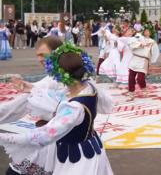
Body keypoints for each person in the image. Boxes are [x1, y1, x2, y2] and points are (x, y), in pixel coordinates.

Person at [0, 42, 114, 175]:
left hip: (78, 159)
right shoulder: (89, 86)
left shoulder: (73, 107)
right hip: (91, 147)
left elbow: (45, 134)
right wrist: (32, 89)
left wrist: (5, 138)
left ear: (59, 75)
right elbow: (57, 96)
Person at [1, 37, 63, 174]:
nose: (40, 59)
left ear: (57, 52)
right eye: (37, 55)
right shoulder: (55, 77)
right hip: (54, 139)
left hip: (55, 141)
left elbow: (15, 108)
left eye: (43, 54)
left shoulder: (56, 80)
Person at [127, 28, 160, 101]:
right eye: (145, 31)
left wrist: (151, 60)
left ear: (150, 33)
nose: (146, 32)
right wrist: (140, 44)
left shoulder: (152, 42)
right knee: (131, 77)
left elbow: (155, 52)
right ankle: (131, 93)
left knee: (140, 78)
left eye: (148, 31)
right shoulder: (138, 38)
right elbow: (131, 44)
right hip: (135, 58)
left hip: (144, 60)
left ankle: (144, 89)